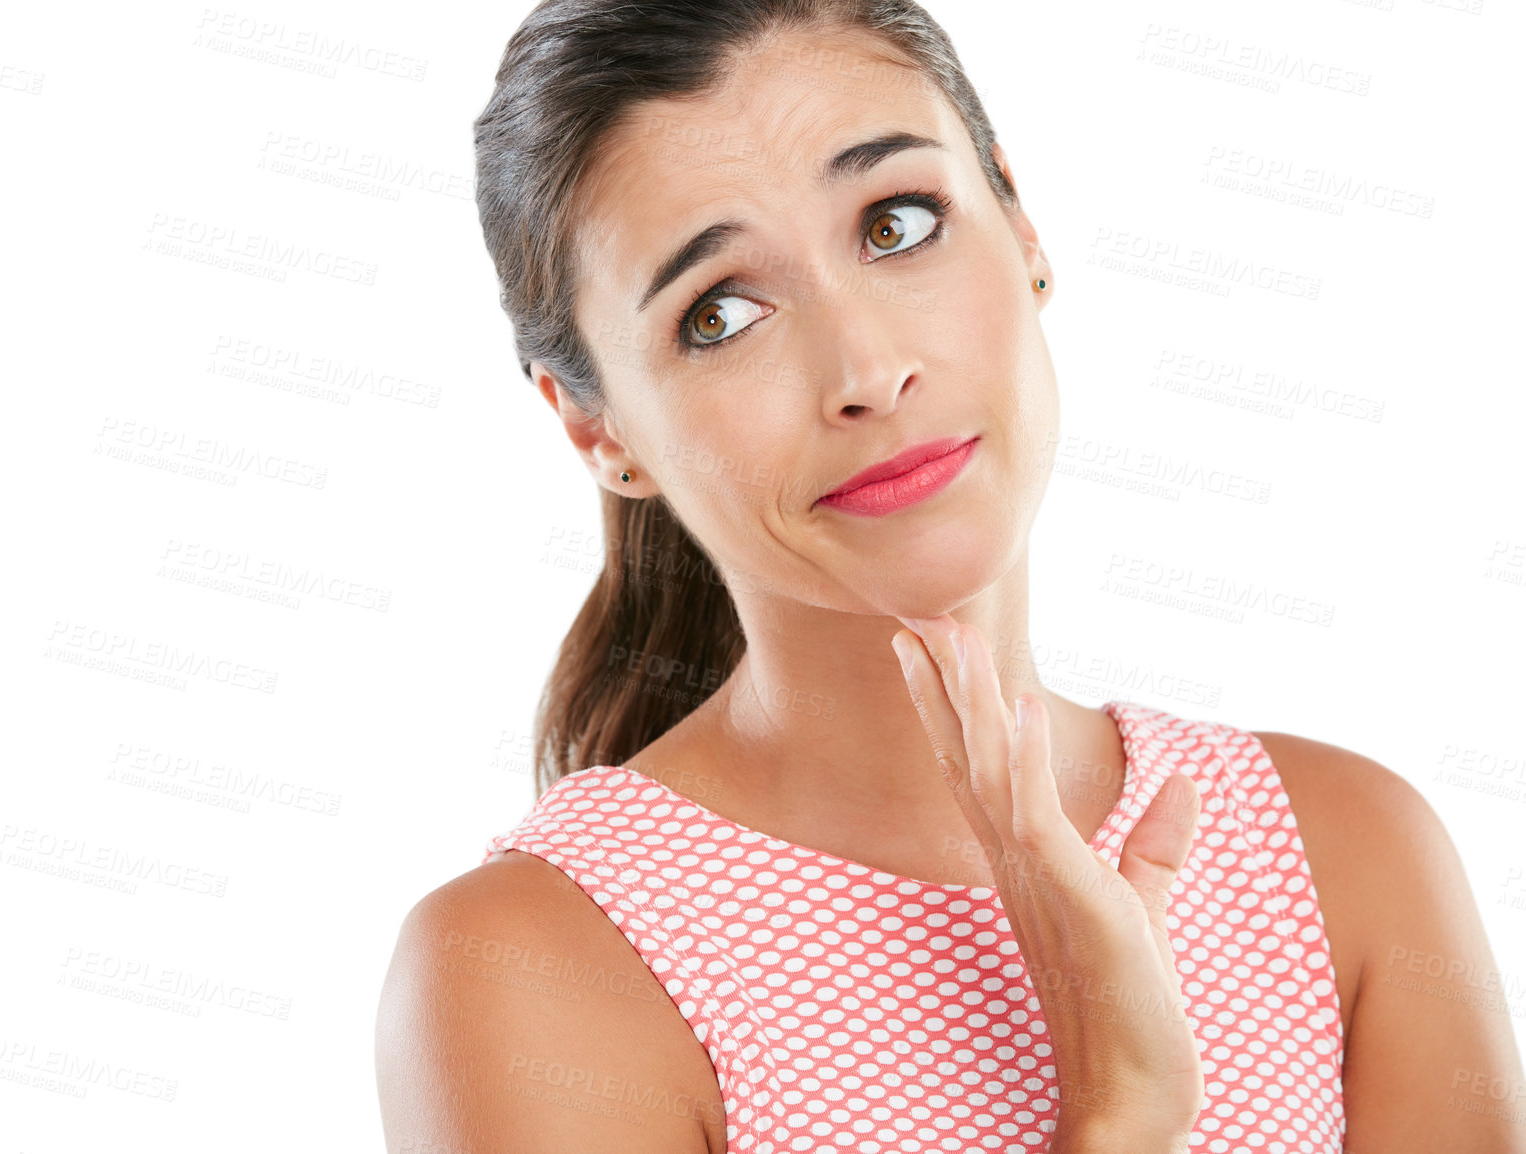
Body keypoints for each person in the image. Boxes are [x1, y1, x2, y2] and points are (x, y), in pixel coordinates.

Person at [375, 1, 1526, 1150]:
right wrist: (1119, 1109)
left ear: (1020, 225)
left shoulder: (1343, 858)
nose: (868, 370)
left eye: (896, 223)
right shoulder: (536, 967)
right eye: (721, 312)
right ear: (595, 426)